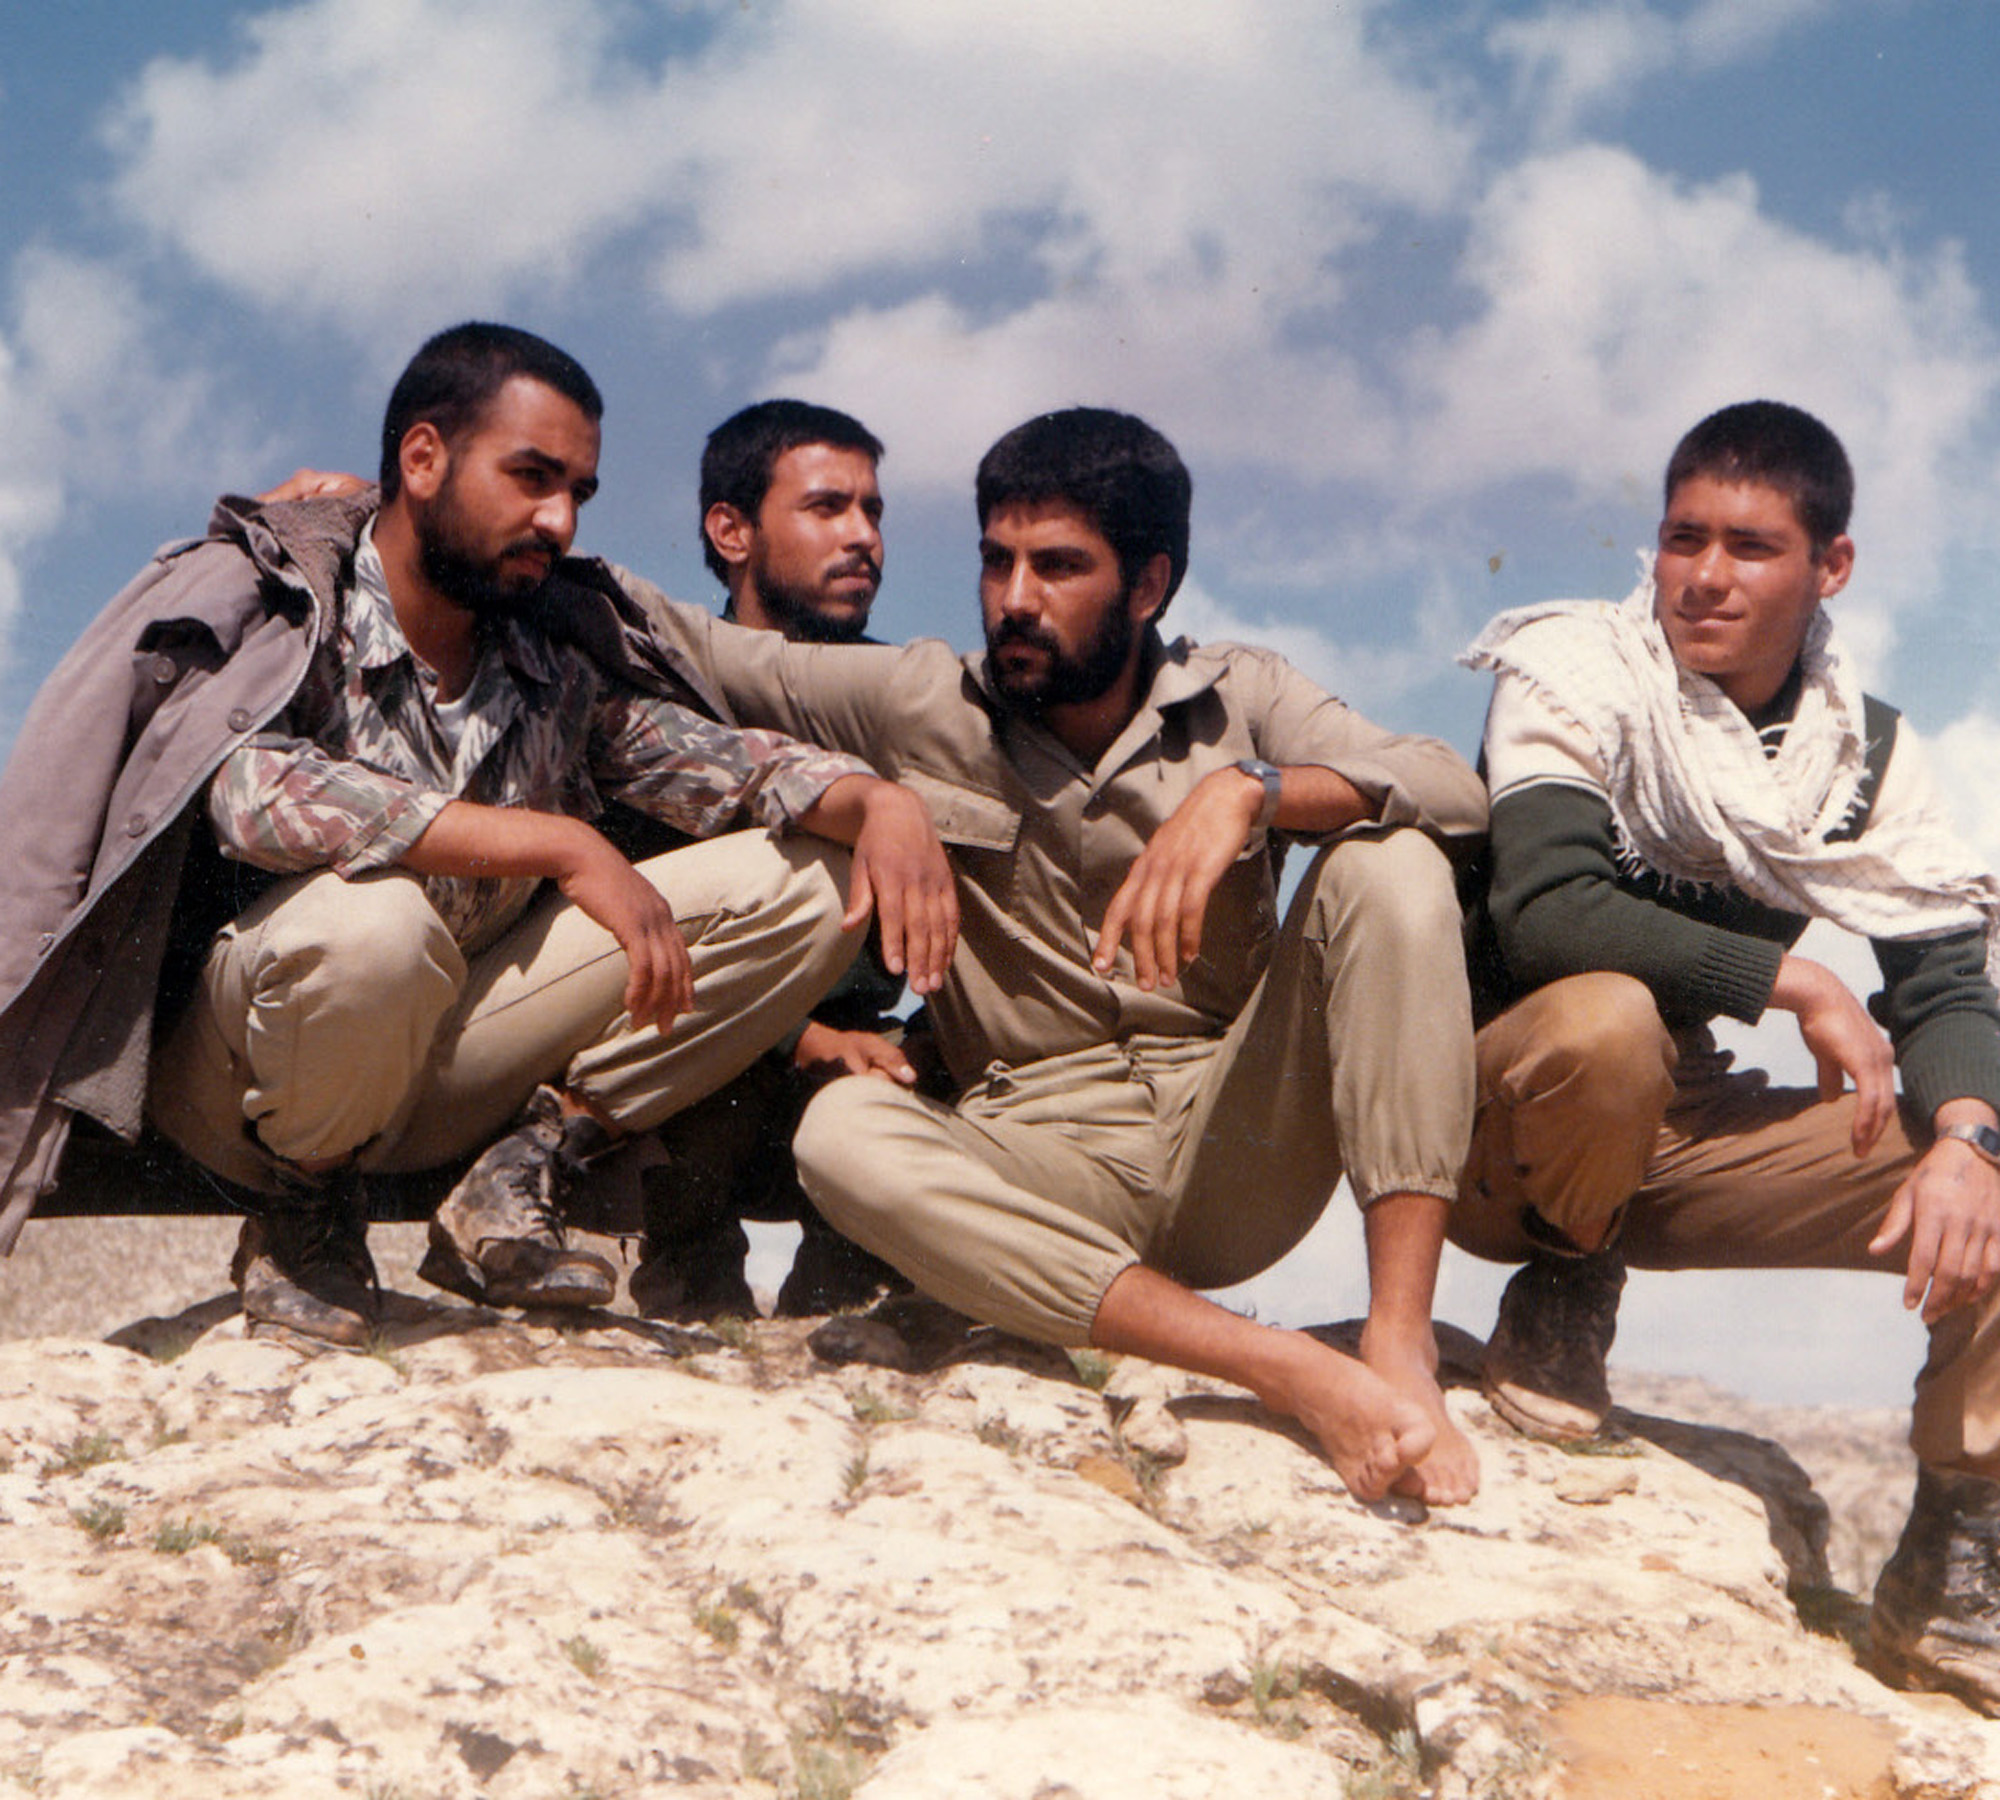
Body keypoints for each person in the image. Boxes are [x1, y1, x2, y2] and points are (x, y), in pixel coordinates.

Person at [0, 322, 954, 1349]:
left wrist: (877, 801)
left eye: (578, 492)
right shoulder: (293, 610)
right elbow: (248, 790)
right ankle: (303, 1223)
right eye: (531, 478)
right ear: (422, 459)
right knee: (374, 926)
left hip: (452, 1075)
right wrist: (558, 844)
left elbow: (724, 766)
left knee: (807, 877)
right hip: (246, 1084)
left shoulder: (550, 659)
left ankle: (526, 1167)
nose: (559, 519)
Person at [628, 406, 1488, 1506]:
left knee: (1392, 862)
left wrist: (1254, 791)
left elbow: (1454, 790)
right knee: (841, 1136)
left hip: (1236, 1136)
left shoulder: (1243, 696)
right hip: (1035, 1152)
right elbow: (675, 636)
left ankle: (1399, 1341)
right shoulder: (919, 699)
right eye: (997, 562)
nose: (1014, 599)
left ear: (1147, 584)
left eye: (1058, 566)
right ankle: (1275, 1366)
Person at [1456, 399, 2000, 1706]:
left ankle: (1954, 1557)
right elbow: (1546, 911)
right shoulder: (1572, 673)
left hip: (1674, 1126)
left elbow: (1942, 982)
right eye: (1680, 537)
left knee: (1990, 1171)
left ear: (1831, 566)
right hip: (1493, 1119)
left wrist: (1966, 1138)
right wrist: (1789, 978)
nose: (1702, 576)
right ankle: (1563, 1282)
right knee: (1606, 1018)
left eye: (1749, 547)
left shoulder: (1858, 749)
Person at [626, 399, 914, 1320]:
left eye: (872, 511)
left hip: (862, 1062)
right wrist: (798, 1037)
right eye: (828, 507)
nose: (862, 536)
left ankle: (844, 1304)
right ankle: (689, 1284)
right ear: (732, 531)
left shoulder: (908, 702)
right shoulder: (661, 695)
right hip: (698, 1051)